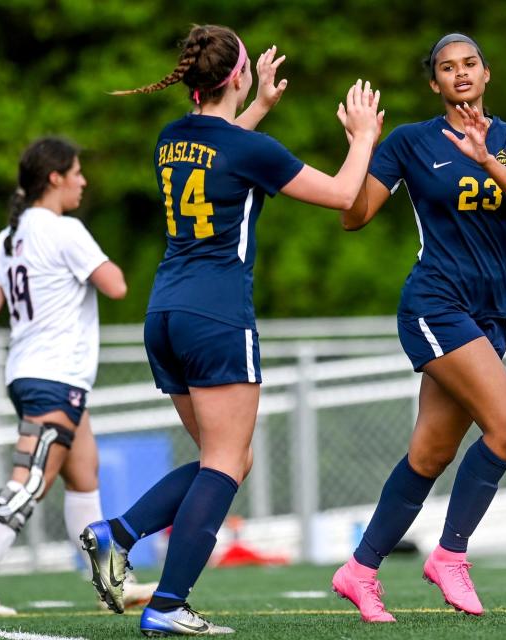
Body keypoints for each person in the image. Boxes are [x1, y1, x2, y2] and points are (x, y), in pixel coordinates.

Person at [79, 24, 381, 636]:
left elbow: (220, 150)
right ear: (237, 76)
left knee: (227, 459)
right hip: (215, 315)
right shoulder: (251, 150)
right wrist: (364, 136)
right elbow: (345, 192)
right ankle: (167, 605)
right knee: (223, 463)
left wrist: (260, 105)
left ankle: (119, 532)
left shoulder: (171, 139)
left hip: (164, 313)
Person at [331, 33, 506, 622]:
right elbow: (353, 217)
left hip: (487, 316)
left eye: (470, 64)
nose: (459, 74)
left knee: (430, 454)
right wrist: (362, 143)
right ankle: (450, 556)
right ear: (434, 83)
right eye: (446, 68)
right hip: (435, 306)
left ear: (486, 73)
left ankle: (359, 569)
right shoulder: (411, 142)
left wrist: (486, 161)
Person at [0, 136, 157, 615]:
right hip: (53, 377)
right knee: (31, 479)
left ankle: (110, 584)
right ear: (54, 178)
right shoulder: (64, 231)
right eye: (76, 171)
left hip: (34, 375)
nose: (83, 180)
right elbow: (117, 286)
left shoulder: (8, 238)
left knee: (84, 475)